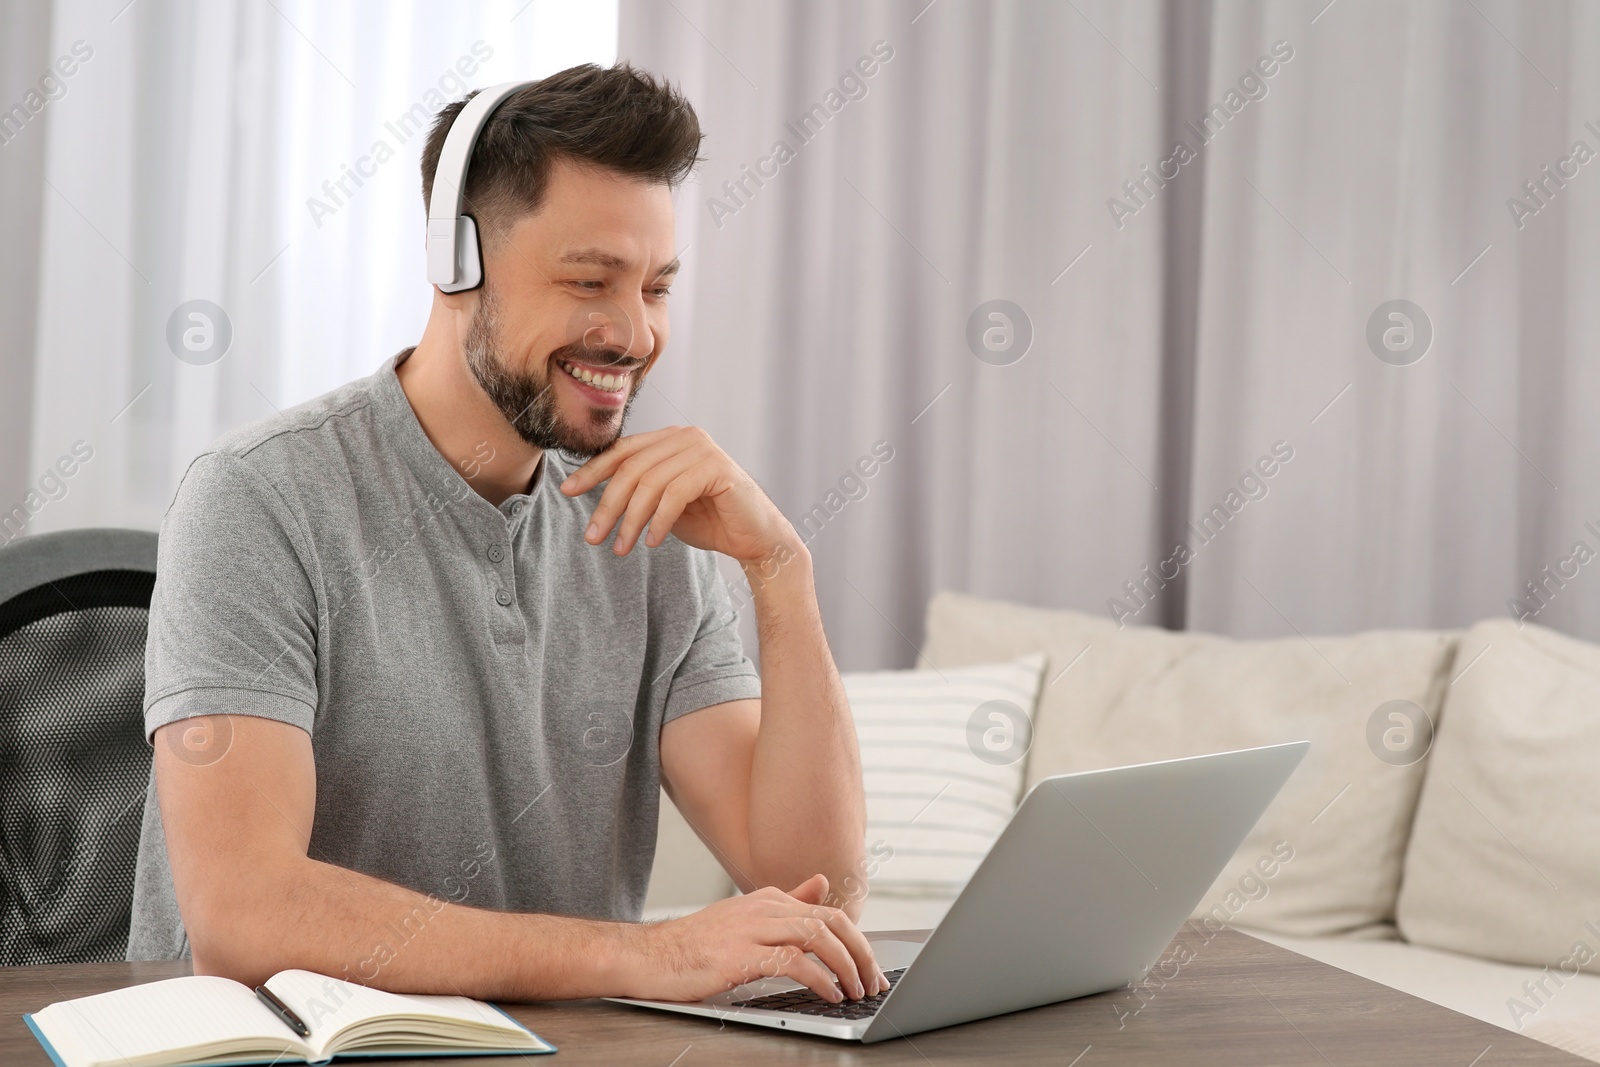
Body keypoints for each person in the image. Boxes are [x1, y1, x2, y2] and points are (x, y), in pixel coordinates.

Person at [126, 63, 885, 1007]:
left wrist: (781, 568)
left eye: (655, 287)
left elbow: (814, 891)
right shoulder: (258, 501)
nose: (634, 333)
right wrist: (651, 956)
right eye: (589, 281)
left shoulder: (647, 529)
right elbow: (244, 912)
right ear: (456, 263)